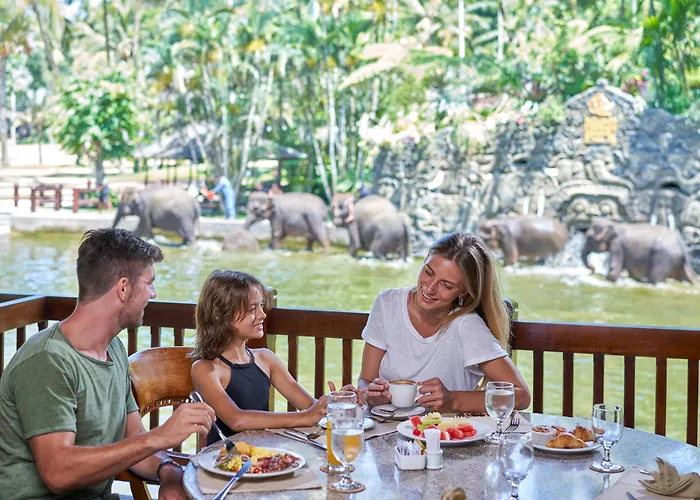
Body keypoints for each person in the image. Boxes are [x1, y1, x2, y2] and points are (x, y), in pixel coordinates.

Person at [0, 228, 216, 499]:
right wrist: (160, 436)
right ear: (123, 288)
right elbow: (58, 473)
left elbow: (133, 440)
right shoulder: (47, 361)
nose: (153, 293)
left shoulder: (112, 348)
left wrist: (169, 470)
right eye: (149, 283)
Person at [358, 232, 531, 413]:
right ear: (425, 259)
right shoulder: (387, 303)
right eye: (428, 272)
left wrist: (453, 401)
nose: (430, 288)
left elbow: (521, 396)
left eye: (446, 285)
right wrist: (371, 395)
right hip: (386, 425)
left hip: (444, 429)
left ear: (464, 291)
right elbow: (365, 380)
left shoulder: (466, 325)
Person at [190, 270, 328, 445]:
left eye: (262, 306)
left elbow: (310, 406)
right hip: (224, 458)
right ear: (222, 314)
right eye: (252, 309)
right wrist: (305, 417)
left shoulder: (266, 359)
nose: (262, 314)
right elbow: (236, 419)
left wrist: (337, 402)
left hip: (264, 455)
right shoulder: (206, 368)